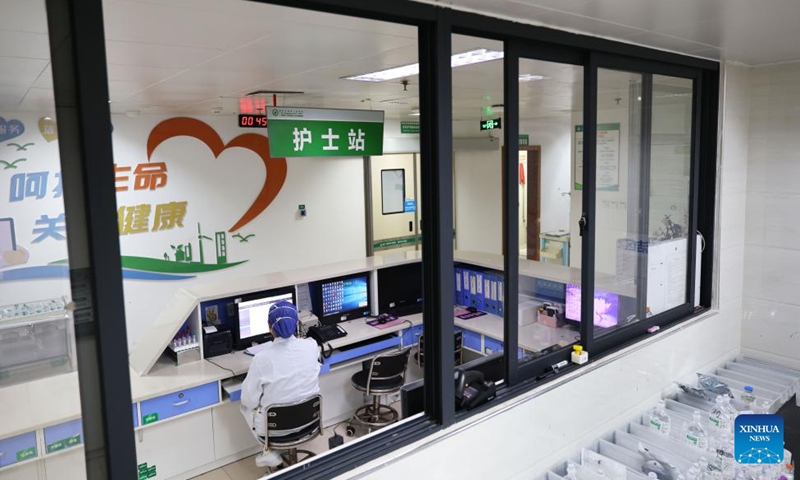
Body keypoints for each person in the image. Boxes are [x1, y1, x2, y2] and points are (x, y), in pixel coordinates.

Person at [240, 300, 320, 468]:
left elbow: (248, 400)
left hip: (276, 430)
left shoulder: (261, 359)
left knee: (245, 406)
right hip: (310, 421)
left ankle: (269, 451)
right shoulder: (311, 346)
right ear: (297, 323)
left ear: (270, 327)